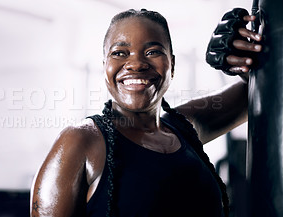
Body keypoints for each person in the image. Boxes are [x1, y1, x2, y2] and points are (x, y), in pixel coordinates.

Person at [30, 8, 262, 217]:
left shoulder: (186, 128)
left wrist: (241, 56)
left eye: (152, 52)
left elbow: (254, 95)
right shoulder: (81, 140)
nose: (136, 63)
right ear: (105, 66)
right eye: (120, 53)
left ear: (172, 64)